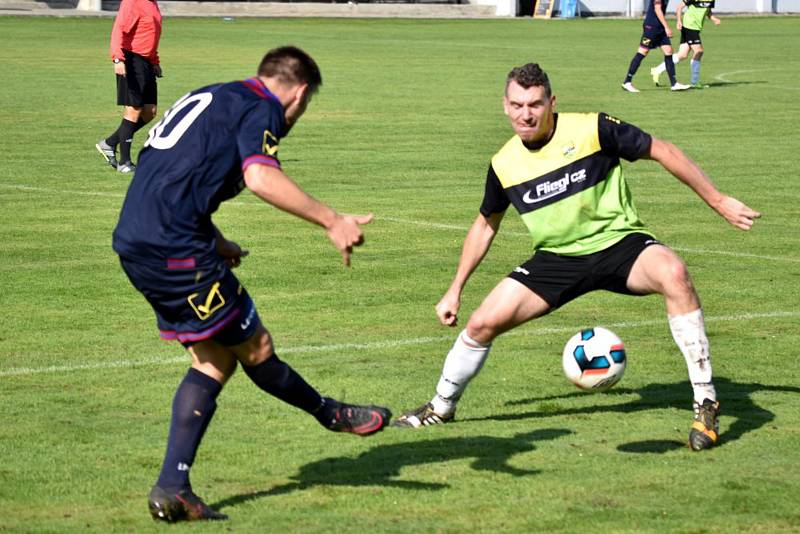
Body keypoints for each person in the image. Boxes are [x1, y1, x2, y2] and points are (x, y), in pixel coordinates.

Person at [394, 63, 760, 453]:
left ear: (552, 102)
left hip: (619, 245)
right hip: (557, 259)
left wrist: (718, 200)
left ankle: (705, 399)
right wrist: (455, 289)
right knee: (482, 323)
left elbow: (662, 150)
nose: (526, 114)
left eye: (535, 104)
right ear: (504, 106)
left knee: (674, 272)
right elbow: (486, 225)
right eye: (517, 105)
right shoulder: (504, 165)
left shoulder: (593, 129)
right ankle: (441, 405)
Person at [112, 46, 391, 522]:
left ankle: (174, 486)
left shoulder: (217, 95)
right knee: (256, 348)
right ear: (299, 94)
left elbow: (177, 175)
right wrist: (331, 221)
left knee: (214, 359)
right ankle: (330, 413)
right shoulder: (262, 108)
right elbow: (260, 177)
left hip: (138, 241)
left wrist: (216, 240)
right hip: (176, 251)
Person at [96, 0, 163, 173]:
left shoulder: (152, 3)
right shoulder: (132, 1)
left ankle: (110, 143)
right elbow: (119, 29)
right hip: (131, 59)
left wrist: (154, 61)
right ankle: (124, 162)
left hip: (146, 62)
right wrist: (117, 58)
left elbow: (151, 33)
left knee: (150, 111)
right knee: (133, 110)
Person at [621, 0, 691, 92]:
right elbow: (657, 9)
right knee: (643, 51)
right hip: (651, 27)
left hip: (659, 28)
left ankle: (674, 84)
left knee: (668, 51)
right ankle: (627, 82)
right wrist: (666, 27)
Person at [650, 0, 721, 88]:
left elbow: (707, 11)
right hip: (689, 25)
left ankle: (657, 70)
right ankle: (694, 82)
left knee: (682, 55)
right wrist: (679, 21)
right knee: (699, 51)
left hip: (696, 27)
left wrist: (714, 19)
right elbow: (679, 7)